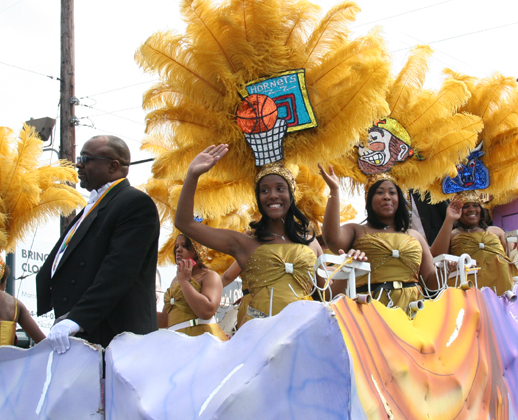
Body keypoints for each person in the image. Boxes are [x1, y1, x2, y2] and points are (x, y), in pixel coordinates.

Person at [175, 145, 365, 328]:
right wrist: (193, 175)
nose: (272, 195)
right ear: (259, 200)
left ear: (291, 195)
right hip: (258, 336)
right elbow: (185, 223)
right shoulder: (244, 243)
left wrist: (349, 268)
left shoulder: (310, 242)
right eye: (264, 190)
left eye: (280, 189)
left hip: (303, 332)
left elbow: (327, 294)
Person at [37, 135, 160, 353]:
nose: (78, 164)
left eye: (86, 158)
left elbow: (118, 270)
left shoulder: (134, 203)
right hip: (87, 334)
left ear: (113, 166)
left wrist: (77, 319)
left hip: (114, 335)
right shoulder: (97, 205)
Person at [320, 166, 436, 311]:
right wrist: (335, 191)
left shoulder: (414, 235)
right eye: (380, 192)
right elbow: (332, 239)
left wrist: (449, 271)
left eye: (392, 192)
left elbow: (431, 282)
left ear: (399, 199)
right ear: (369, 200)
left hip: (413, 309)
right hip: (372, 309)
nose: (387, 196)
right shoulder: (357, 230)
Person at [430, 193, 518, 296]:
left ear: (481, 209)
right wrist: (450, 218)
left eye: (475, 205)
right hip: (468, 293)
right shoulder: (452, 235)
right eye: (466, 206)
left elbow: (513, 256)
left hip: (502, 290)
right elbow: (436, 256)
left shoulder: (496, 232)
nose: (471, 209)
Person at [161, 234, 227, 340]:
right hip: (176, 341)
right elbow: (165, 320)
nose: (178, 250)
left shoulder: (210, 276)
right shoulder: (175, 280)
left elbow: (207, 312)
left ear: (197, 250)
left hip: (201, 340)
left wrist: (184, 282)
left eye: (184, 246)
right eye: (177, 246)